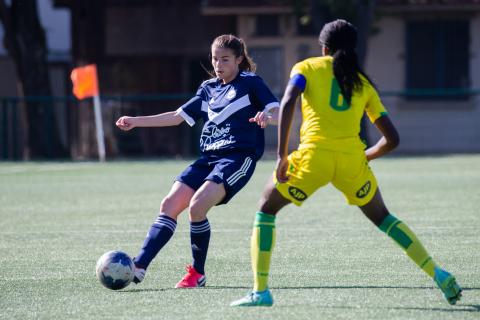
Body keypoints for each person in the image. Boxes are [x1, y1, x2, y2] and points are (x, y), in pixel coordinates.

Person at [231, 19, 462, 306]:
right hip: (352, 160)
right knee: (384, 218)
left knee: (266, 209)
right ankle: (438, 274)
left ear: (324, 47)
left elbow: (289, 101)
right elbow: (392, 139)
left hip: (313, 158)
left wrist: (281, 155)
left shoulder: (306, 68)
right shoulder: (363, 83)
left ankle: (260, 291)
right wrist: (365, 156)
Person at [116, 34, 279, 288]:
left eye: (225, 59)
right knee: (169, 204)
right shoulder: (208, 88)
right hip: (208, 159)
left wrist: (268, 116)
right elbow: (176, 116)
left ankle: (197, 274)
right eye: (215, 59)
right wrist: (136, 121)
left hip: (237, 158)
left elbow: (279, 111)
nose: (219, 64)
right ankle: (139, 266)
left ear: (238, 60)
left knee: (197, 206)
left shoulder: (251, 83)